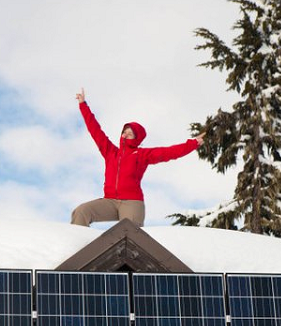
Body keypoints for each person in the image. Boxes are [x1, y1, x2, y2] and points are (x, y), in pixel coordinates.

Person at [71, 88, 205, 227]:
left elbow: (169, 152)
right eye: (124, 132)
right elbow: (95, 129)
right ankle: (79, 246)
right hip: (110, 201)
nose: (125, 135)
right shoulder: (110, 152)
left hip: (132, 202)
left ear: (136, 138)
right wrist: (83, 104)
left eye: (130, 133)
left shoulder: (141, 155)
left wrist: (193, 143)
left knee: (128, 233)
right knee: (81, 211)